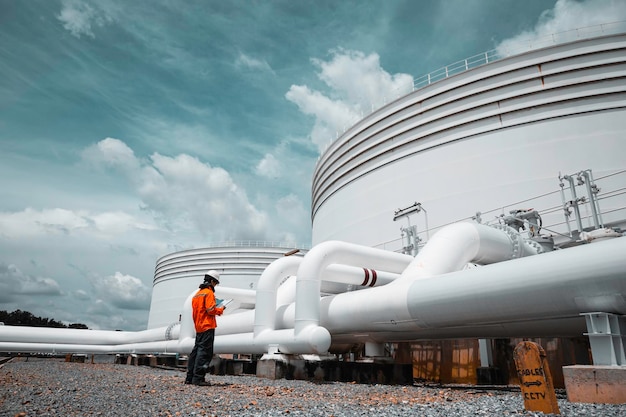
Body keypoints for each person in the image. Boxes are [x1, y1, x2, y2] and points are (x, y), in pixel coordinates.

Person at [185, 270, 224, 386]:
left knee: (196, 352)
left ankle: (190, 377)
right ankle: (198, 379)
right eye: (215, 283)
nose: (215, 285)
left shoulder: (197, 294)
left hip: (199, 327)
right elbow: (211, 310)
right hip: (207, 326)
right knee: (204, 353)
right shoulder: (209, 293)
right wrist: (220, 309)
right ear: (212, 281)